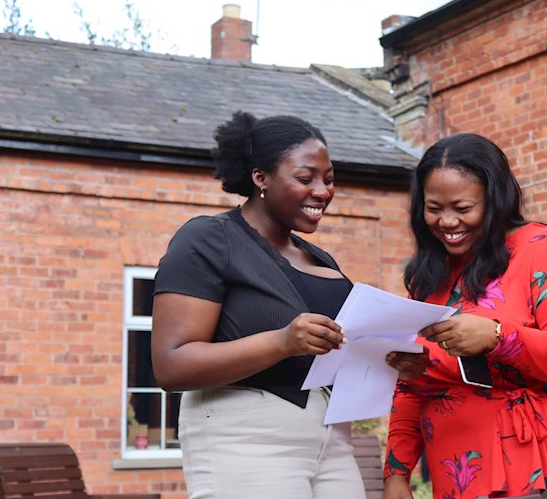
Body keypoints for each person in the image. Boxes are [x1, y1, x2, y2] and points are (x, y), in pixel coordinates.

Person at [151, 111, 427, 499]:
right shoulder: (209, 239)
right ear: (260, 177)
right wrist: (282, 342)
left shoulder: (320, 259)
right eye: (305, 178)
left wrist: (392, 360)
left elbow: (335, 358)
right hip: (247, 438)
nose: (323, 191)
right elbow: (170, 365)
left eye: (329, 179)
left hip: (332, 438)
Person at [383, 134, 547, 499]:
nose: (446, 221)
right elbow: (414, 385)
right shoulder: (431, 275)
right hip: (460, 475)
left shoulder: (544, 250)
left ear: (495, 200)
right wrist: (397, 474)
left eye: (462, 207)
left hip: (545, 468)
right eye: (434, 208)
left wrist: (496, 335)